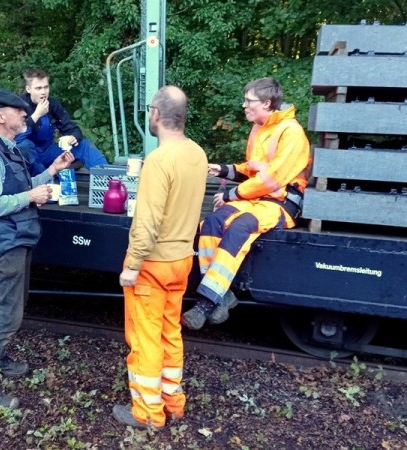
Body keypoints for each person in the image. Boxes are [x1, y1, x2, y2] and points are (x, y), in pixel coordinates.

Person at [0, 87, 74, 409]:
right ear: (1, 116)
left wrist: (52, 170)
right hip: (6, 242)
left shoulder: (7, 149)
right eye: (19, 111)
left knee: (13, 308)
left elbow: (24, 185)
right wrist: (30, 198)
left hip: (18, 238)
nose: (25, 114)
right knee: (7, 316)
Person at [113, 86, 208, 429]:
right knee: (170, 332)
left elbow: (148, 222)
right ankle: (173, 402)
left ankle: (147, 413)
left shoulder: (158, 160)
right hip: (182, 258)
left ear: (155, 113)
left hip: (152, 265)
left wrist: (132, 265)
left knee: (145, 337)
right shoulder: (197, 153)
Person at [181, 77, 311, 330]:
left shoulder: (291, 132)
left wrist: (232, 195)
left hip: (281, 204)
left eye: (249, 101)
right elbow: (253, 171)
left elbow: (272, 180)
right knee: (211, 222)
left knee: (240, 227)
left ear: (266, 102)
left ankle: (206, 303)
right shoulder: (260, 129)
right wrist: (223, 170)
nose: (244, 105)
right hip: (257, 199)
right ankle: (223, 295)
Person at [15, 69, 107, 175]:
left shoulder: (53, 104)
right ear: (28, 89)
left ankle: (107, 181)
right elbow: (14, 137)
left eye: (46, 87)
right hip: (25, 157)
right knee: (25, 146)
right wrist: (36, 115)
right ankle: (45, 180)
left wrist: (73, 137)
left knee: (84, 145)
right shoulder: (19, 105)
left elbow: (71, 127)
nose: (43, 92)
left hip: (46, 153)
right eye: (38, 88)